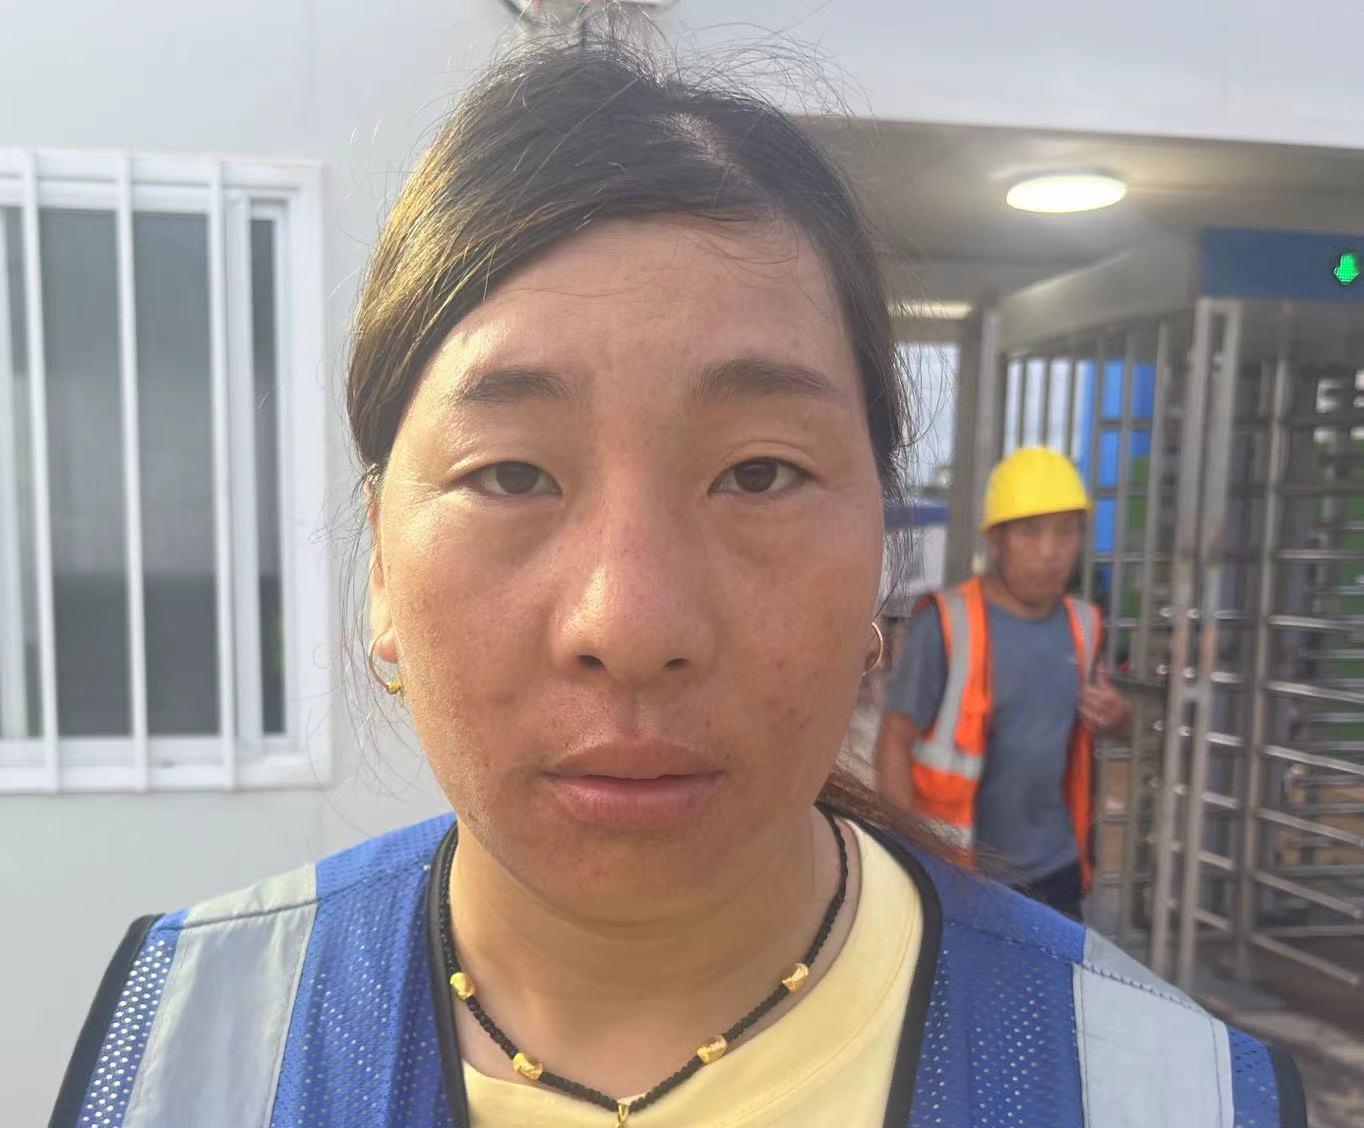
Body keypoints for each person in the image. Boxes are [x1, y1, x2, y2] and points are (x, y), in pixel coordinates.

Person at [53, 41, 1303, 1128]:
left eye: (757, 473)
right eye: (509, 475)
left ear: (879, 546)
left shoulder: (1158, 1085)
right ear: (381, 563)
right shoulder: (185, 1046)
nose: (630, 622)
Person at [874, 447, 1132, 920]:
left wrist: (1119, 719)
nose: (1049, 551)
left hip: (1058, 872)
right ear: (997, 541)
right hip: (962, 873)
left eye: (1066, 531)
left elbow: (1105, 730)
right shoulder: (948, 624)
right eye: (1030, 532)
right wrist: (912, 856)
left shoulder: (1084, 625)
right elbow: (894, 739)